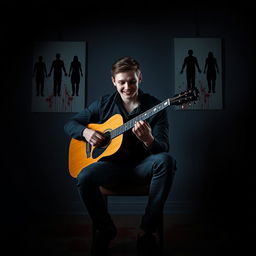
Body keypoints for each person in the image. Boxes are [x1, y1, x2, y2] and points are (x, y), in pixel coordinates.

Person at [64, 56, 176, 256]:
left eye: (132, 81)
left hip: (143, 166)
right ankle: (106, 230)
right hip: (111, 168)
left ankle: (146, 231)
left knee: (166, 161)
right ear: (113, 81)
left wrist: (149, 140)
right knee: (84, 177)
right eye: (122, 82)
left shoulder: (155, 107)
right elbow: (70, 124)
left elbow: (163, 147)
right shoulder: (104, 104)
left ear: (139, 78)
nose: (127, 86)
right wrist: (86, 133)